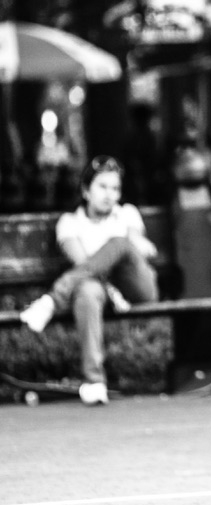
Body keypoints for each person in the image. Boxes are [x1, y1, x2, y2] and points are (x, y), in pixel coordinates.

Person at [18, 156, 159, 405]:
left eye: (115, 188)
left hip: (138, 287)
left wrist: (134, 245)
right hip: (99, 288)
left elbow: (140, 247)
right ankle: (95, 382)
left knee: (119, 242)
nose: (110, 195)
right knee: (86, 290)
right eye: (102, 187)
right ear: (86, 190)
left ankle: (52, 300)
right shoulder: (69, 223)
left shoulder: (127, 214)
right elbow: (83, 265)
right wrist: (109, 288)